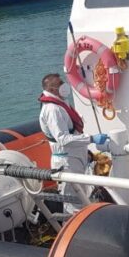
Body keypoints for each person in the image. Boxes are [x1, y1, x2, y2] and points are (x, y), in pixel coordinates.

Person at [38, 73, 108, 212]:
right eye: (60, 83)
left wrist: (84, 152)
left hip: (74, 158)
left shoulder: (61, 103)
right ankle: (75, 230)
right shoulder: (53, 110)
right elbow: (63, 139)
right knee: (73, 205)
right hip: (67, 162)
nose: (64, 85)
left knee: (83, 197)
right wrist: (91, 139)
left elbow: (73, 133)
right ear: (51, 89)